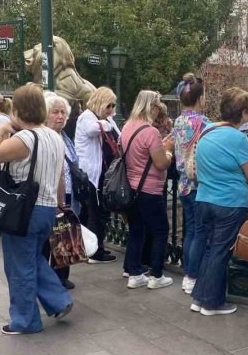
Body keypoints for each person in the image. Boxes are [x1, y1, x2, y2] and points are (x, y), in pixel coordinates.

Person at [0, 85, 72, 334]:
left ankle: (25, 321)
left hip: (24, 210)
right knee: (33, 258)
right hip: (45, 209)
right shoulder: (55, 138)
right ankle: (58, 299)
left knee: (19, 266)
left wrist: (0, 130)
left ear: (18, 109)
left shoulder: (25, 138)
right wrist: (59, 204)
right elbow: (58, 177)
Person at [190, 87, 248, 315]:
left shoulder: (207, 130)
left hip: (204, 199)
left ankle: (199, 298)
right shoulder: (238, 138)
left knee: (210, 248)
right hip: (229, 203)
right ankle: (212, 303)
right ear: (242, 113)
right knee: (221, 252)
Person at [121, 91, 175, 289]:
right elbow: (161, 163)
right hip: (150, 189)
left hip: (132, 188)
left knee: (136, 230)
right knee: (161, 230)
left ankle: (134, 273)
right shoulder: (150, 131)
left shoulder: (127, 127)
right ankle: (156, 275)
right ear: (151, 107)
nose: (159, 110)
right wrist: (168, 148)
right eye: (158, 107)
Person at [172, 73, 209, 294]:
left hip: (182, 184)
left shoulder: (178, 121)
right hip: (198, 183)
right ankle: (192, 275)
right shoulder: (203, 122)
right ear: (200, 98)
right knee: (200, 231)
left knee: (190, 229)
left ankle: (188, 270)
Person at [74, 86, 119, 263]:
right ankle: (93, 251)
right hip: (89, 174)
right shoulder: (86, 117)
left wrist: (108, 121)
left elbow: (119, 134)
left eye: (113, 106)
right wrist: (107, 122)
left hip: (97, 173)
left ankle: (94, 247)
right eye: (109, 105)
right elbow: (93, 130)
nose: (111, 110)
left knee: (95, 212)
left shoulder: (100, 118)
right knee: (93, 213)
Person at [44, 91, 79, 289]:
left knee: (64, 235)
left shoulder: (64, 136)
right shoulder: (45, 136)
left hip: (67, 191)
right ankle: (49, 278)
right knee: (49, 239)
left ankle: (61, 276)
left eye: (63, 112)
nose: (59, 116)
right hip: (49, 194)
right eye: (55, 112)